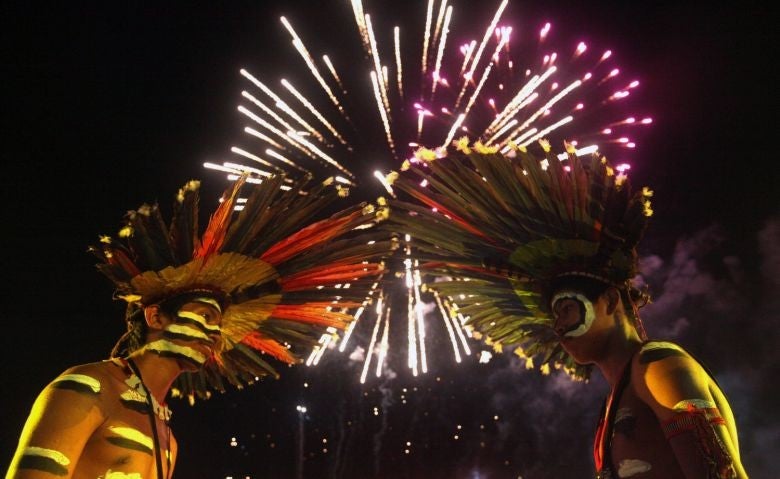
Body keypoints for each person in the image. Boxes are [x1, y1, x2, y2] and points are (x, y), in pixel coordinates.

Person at [384, 138, 748, 478]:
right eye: (555, 315)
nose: (558, 326)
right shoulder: (615, 403)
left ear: (608, 300)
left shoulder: (658, 366)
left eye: (567, 309)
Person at [6, 174, 389, 478]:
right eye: (205, 316)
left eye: (219, 324)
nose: (214, 334)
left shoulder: (167, 434)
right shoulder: (87, 385)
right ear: (155, 316)